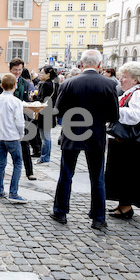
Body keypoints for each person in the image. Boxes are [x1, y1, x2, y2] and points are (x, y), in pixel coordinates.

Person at [50, 50, 119, 230]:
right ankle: (98, 218)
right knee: (97, 177)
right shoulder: (109, 84)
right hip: (95, 133)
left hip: (72, 132)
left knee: (66, 174)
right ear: (99, 65)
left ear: (81, 64)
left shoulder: (69, 83)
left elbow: (60, 111)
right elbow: (114, 115)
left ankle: (60, 211)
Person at [105, 61, 140, 220]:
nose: (121, 80)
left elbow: (135, 116)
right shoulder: (131, 92)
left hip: (132, 143)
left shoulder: (139, 93)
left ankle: (126, 207)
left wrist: (114, 110)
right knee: (120, 173)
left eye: (124, 77)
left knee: (128, 174)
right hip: (125, 141)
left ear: (135, 79)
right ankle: (122, 204)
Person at [0, 58, 36, 180]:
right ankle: (1, 171)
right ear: (10, 69)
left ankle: (29, 172)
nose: (17, 72)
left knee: (25, 145)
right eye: (15, 70)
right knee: (4, 149)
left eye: (19, 70)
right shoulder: (2, 81)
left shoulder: (26, 83)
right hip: (7, 118)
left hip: (21, 117)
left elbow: (28, 100)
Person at [0, 73, 27, 203]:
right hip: (12, 136)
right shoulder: (16, 102)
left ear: (1, 85)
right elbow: (19, 121)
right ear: (15, 85)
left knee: (0, 164)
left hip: (0, 136)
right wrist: (21, 134)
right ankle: (13, 192)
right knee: (17, 163)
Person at [32, 66, 59, 164]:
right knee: (46, 136)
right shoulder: (54, 84)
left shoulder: (45, 85)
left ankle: (44, 157)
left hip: (44, 113)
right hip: (50, 112)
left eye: (42, 73)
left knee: (45, 137)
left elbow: (42, 99)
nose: (40, 74)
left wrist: (34, 97)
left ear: (48, 74)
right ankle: (45, 156)